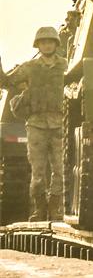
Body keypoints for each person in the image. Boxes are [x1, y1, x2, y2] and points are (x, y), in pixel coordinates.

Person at [1, 26, 67, 221]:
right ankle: (40, 209)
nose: (47, 45)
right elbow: (7, 82)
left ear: (56, 44)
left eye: (50, 41)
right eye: (43, 42)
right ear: (38, 45)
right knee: (37, 172)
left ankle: (55, 208)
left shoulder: (65, 66)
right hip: (36, 124)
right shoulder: (29, 67)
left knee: (60, 170)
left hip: (59, 123)